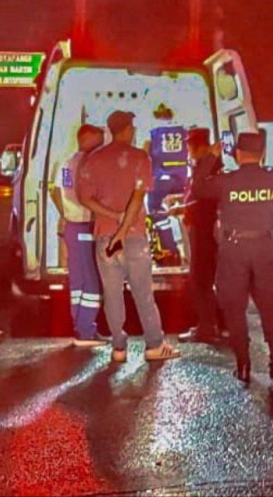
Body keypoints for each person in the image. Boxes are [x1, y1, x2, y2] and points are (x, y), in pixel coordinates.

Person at [77, 110, 180, 363]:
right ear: (126, 129)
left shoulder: (93, 160)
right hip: (132, 238)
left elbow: (84, 198)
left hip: (104, 238)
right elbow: (137, 197)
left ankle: (119, 348)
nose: (133, 131)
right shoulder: (139, 158)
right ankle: (154, 345)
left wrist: (111, 215)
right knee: (142, 292)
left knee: (112, 294)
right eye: (132, 127)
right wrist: (122, 226)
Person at [195, 131, 273, 384]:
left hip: (234, 249)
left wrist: (211, 157)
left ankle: (243, 365)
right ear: (262, 154)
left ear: (237, 153)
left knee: (235, 307)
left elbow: (199, 187)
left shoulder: (227, 181)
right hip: (265, 246)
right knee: (270, 306)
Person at [167, 128, 226, 344]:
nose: (187, 150)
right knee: (200, 279)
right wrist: (179, 201)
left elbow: (204, 199)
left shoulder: (209, 167)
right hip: (199, 229)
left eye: (189, 145)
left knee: (201, 280)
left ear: (200, 146)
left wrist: (181, 209)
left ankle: (207, 327)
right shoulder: (202, 166)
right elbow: (197, 194)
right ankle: (208, 325)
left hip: (204, 231)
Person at [51, 124, 104, 347]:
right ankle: (85, 332)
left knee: (78, 281)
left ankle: (82, 327)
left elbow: (55, 191)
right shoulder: (87, 164)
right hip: (85, 226)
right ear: (85, 139)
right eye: (98, 140)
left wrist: (65, 213)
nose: (101, 144)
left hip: (74, 226)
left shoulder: (66, 162)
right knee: (92, 282)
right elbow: (90, 196)